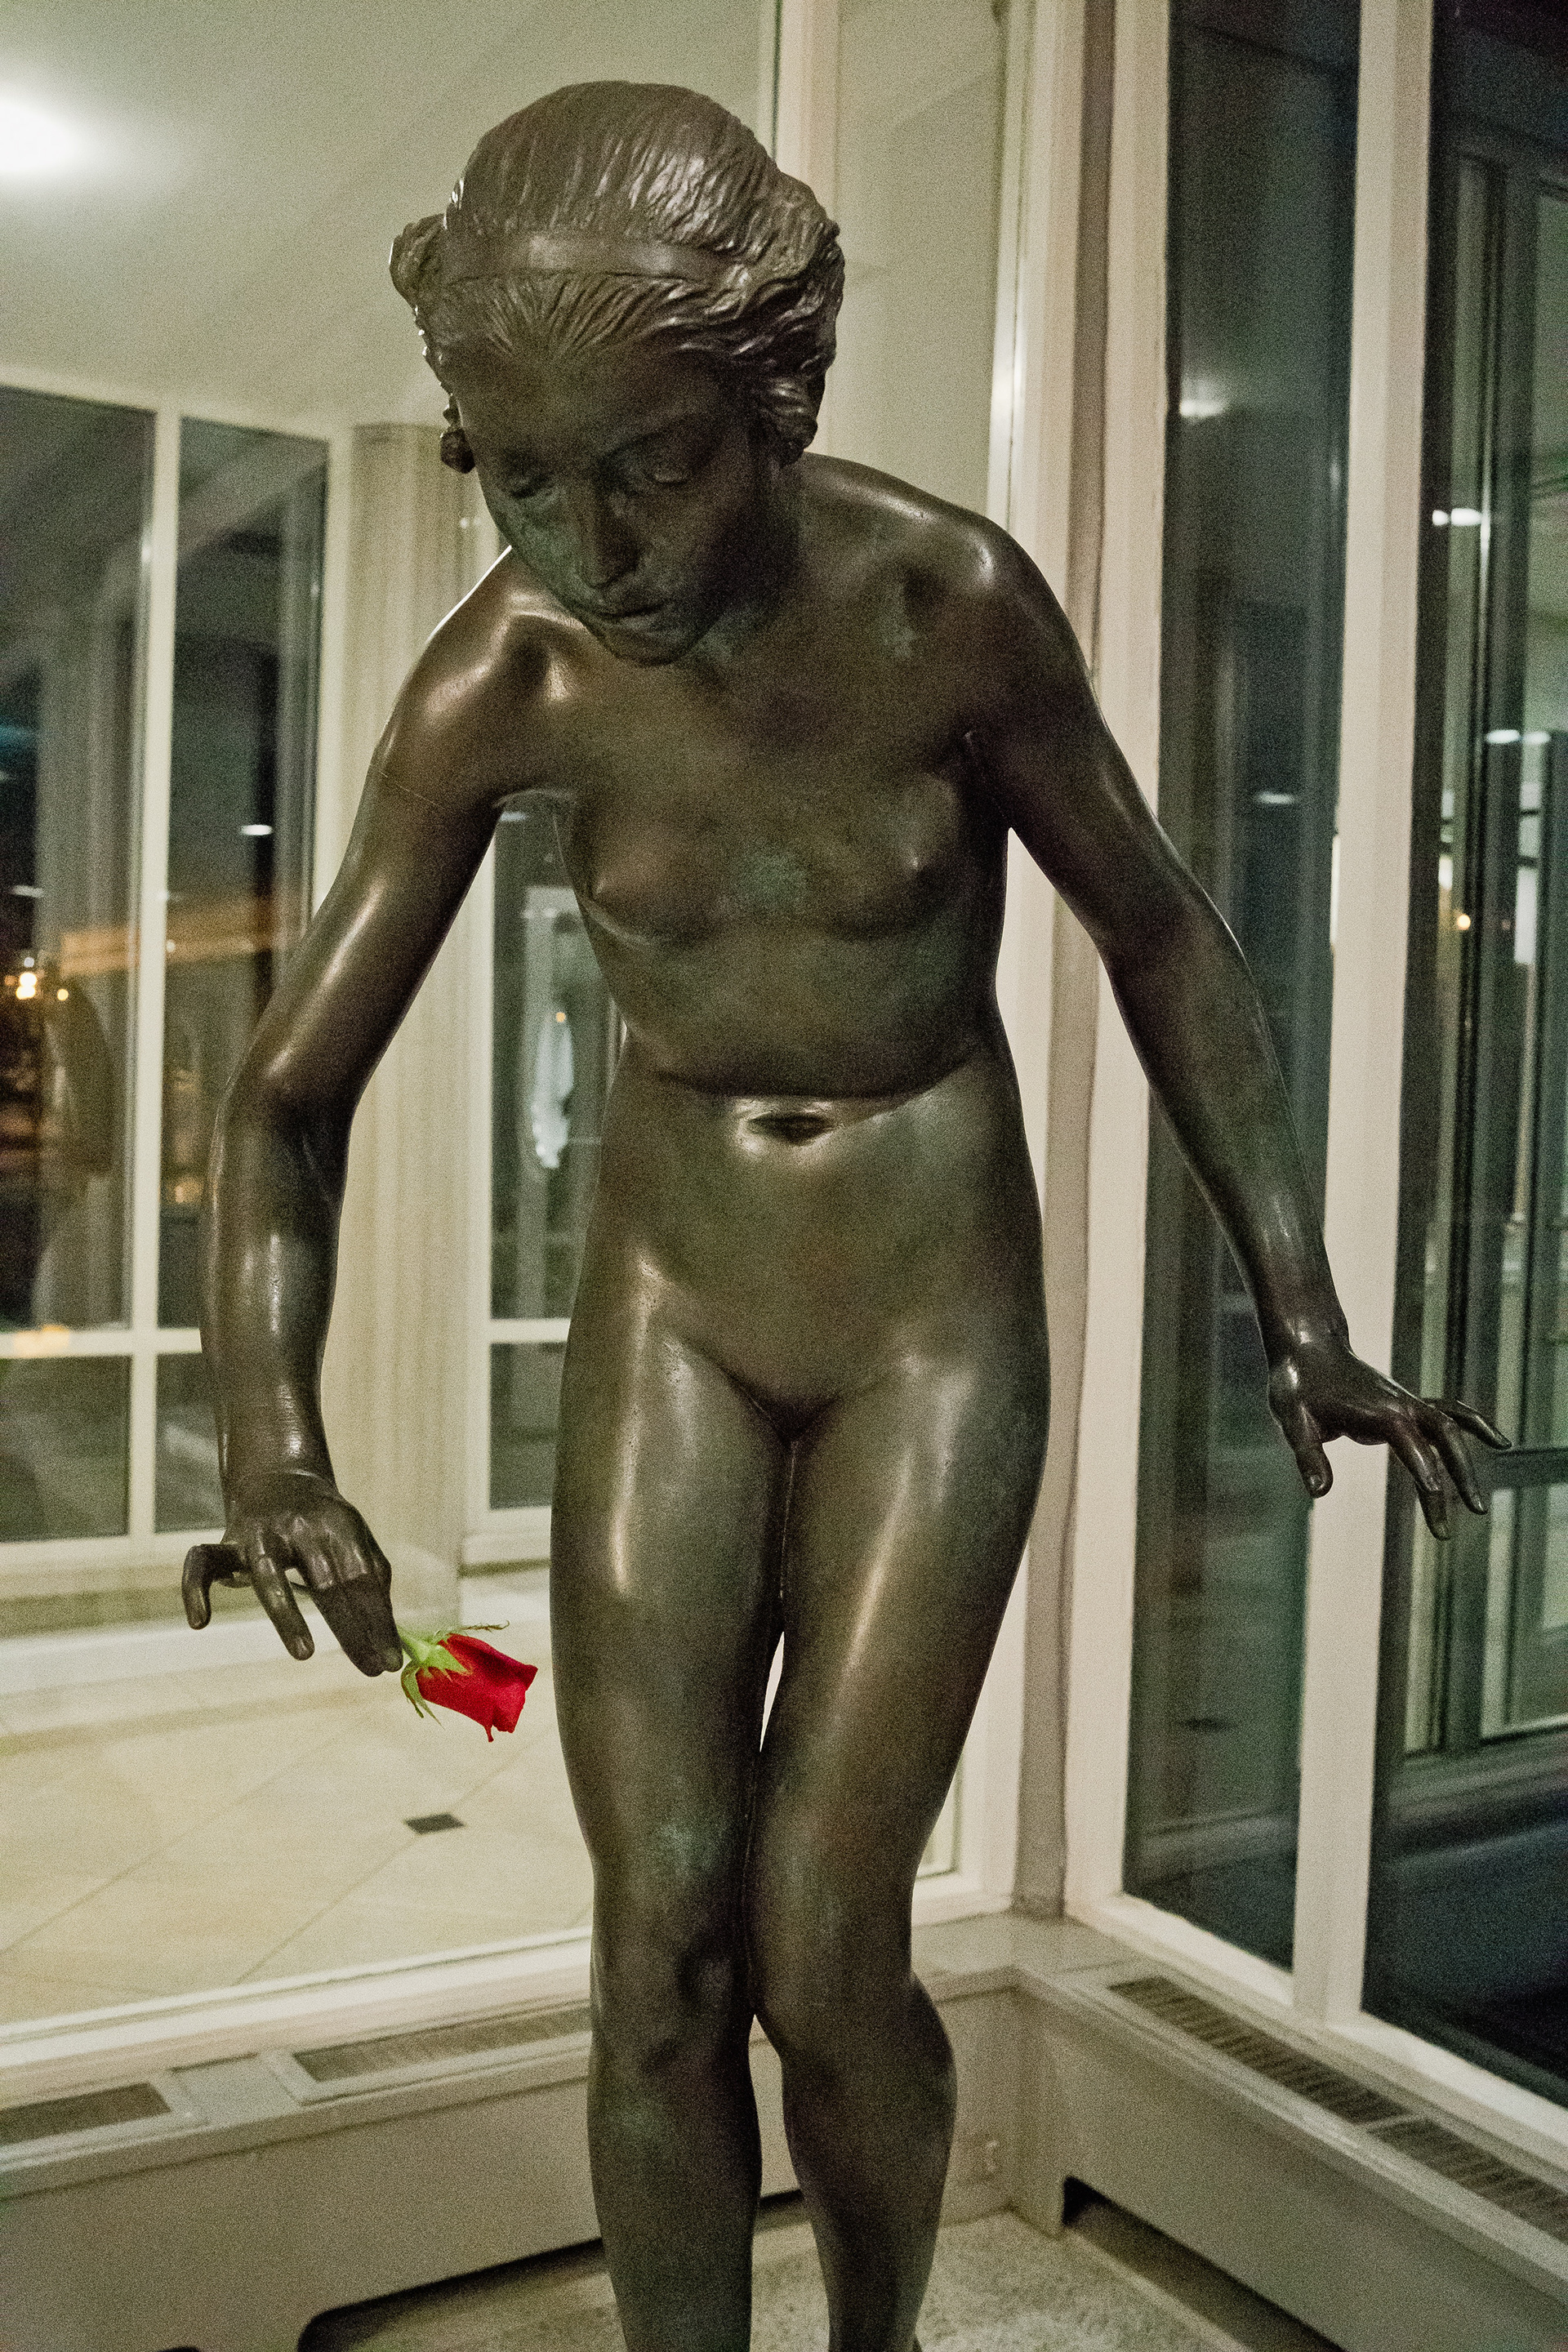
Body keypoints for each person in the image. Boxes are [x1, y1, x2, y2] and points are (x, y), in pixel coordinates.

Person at [182, 82, 1504, 2352]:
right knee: (660, 1944)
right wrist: (274, 1439)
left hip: (927, 1308)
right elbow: (288, 1096)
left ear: (772, 402)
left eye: (651, 466)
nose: (595, 542)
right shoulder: (511, 673)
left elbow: (1166, 937)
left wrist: (1298, 1304)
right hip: (675, 1297)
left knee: (822, 1933)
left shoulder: (943, 606)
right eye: (526, 480)